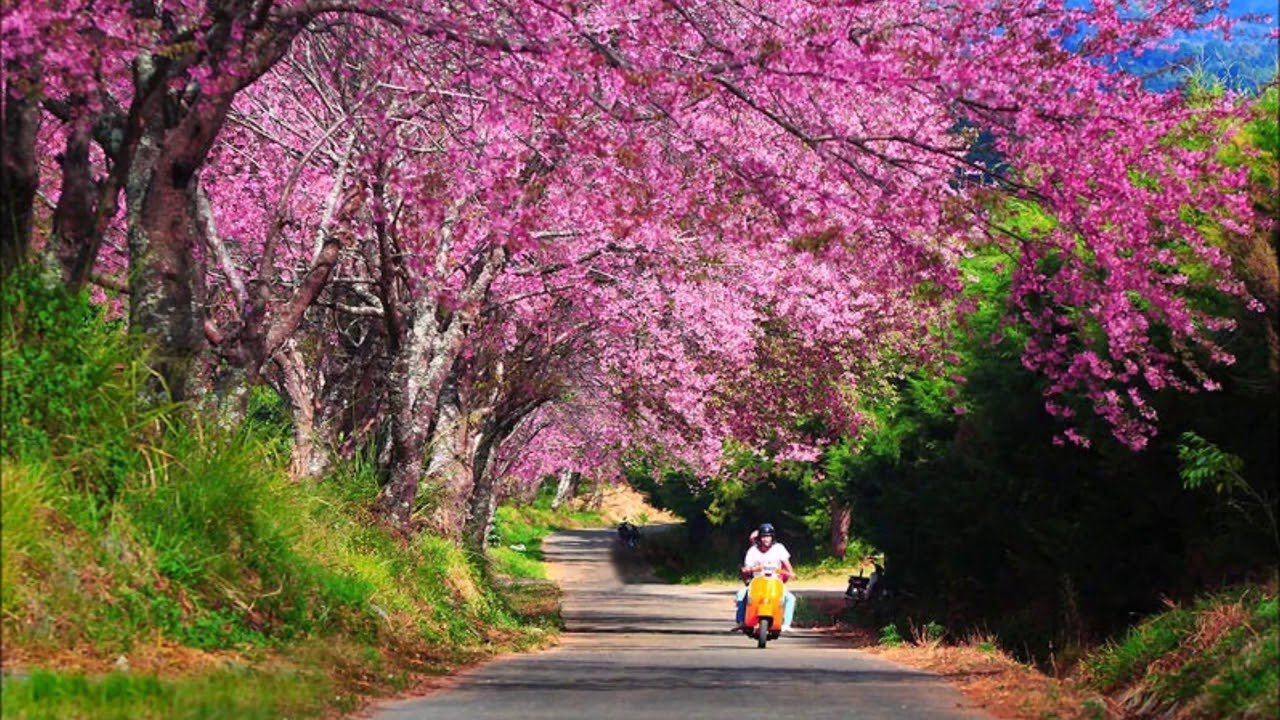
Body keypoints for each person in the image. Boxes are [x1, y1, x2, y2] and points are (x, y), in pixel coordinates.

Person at [733, 523, 797, 633]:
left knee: (790, 598)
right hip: (757, 582)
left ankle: (786, 624)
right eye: (763, 536)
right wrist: (749, 569)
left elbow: (787, 566)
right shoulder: (753, 551)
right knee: (742, 594)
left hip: (775, 582)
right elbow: (747, 567)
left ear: (772, 537)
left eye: (768, 536)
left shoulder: (779, 548)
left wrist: (791, 573)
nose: (766, 539)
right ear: (759, 538)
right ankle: (741, 621)